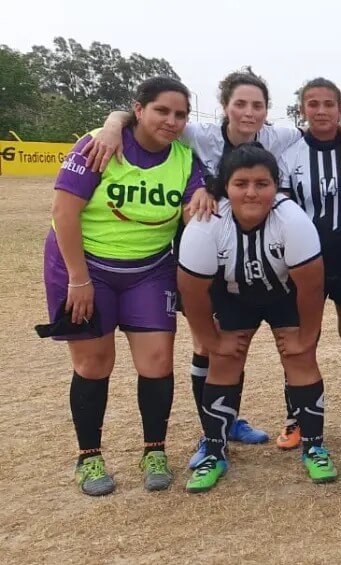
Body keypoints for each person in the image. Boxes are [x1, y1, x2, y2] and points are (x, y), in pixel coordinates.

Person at [83, 68, 341, 459]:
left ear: (268, 111)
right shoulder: (196, 133)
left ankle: (247, 425)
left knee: (245, 343)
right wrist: (112, 125)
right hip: (208, 239)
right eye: (240, 104)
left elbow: (324, 124)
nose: (248, 113)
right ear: (225, 107)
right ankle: (213, 432)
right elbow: (143, 119)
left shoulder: (277, 137)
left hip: (267, 244)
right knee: (210, 345)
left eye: (257, 106)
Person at [44, 76, 205, 495]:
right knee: (93, 365)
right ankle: (89, 458)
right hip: (86, 267)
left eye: (180, 114)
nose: (171, 121)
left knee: (157, 362)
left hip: (149, 270)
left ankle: (154, 449)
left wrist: (203, 199)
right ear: (138, 109)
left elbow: (194, 207)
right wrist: (78, 279)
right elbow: (63, 211)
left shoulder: (185, 159)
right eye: (162, 111)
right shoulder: (100, 144)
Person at [178, 144, 336, 492]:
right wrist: (211, 339)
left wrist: (307, 336)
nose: (251, 192)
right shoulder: (208, 223)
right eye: (241, 183)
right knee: (223, 359)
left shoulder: (292, 219)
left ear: (275, 186)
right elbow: (192, 292)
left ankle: (314, 446)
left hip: (284, 295)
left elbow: (310, 288)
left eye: (262, 184)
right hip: (234, 295)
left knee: (300, 357)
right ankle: (215, 451)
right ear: (227, 187)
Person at [277, 78, 341, 447]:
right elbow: (282, 211)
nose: (321, 111)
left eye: (328, 104)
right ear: (302, 108)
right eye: (312, 104)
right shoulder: (289, 155)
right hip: (305, 267)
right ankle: (298, 417)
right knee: (302, 340)